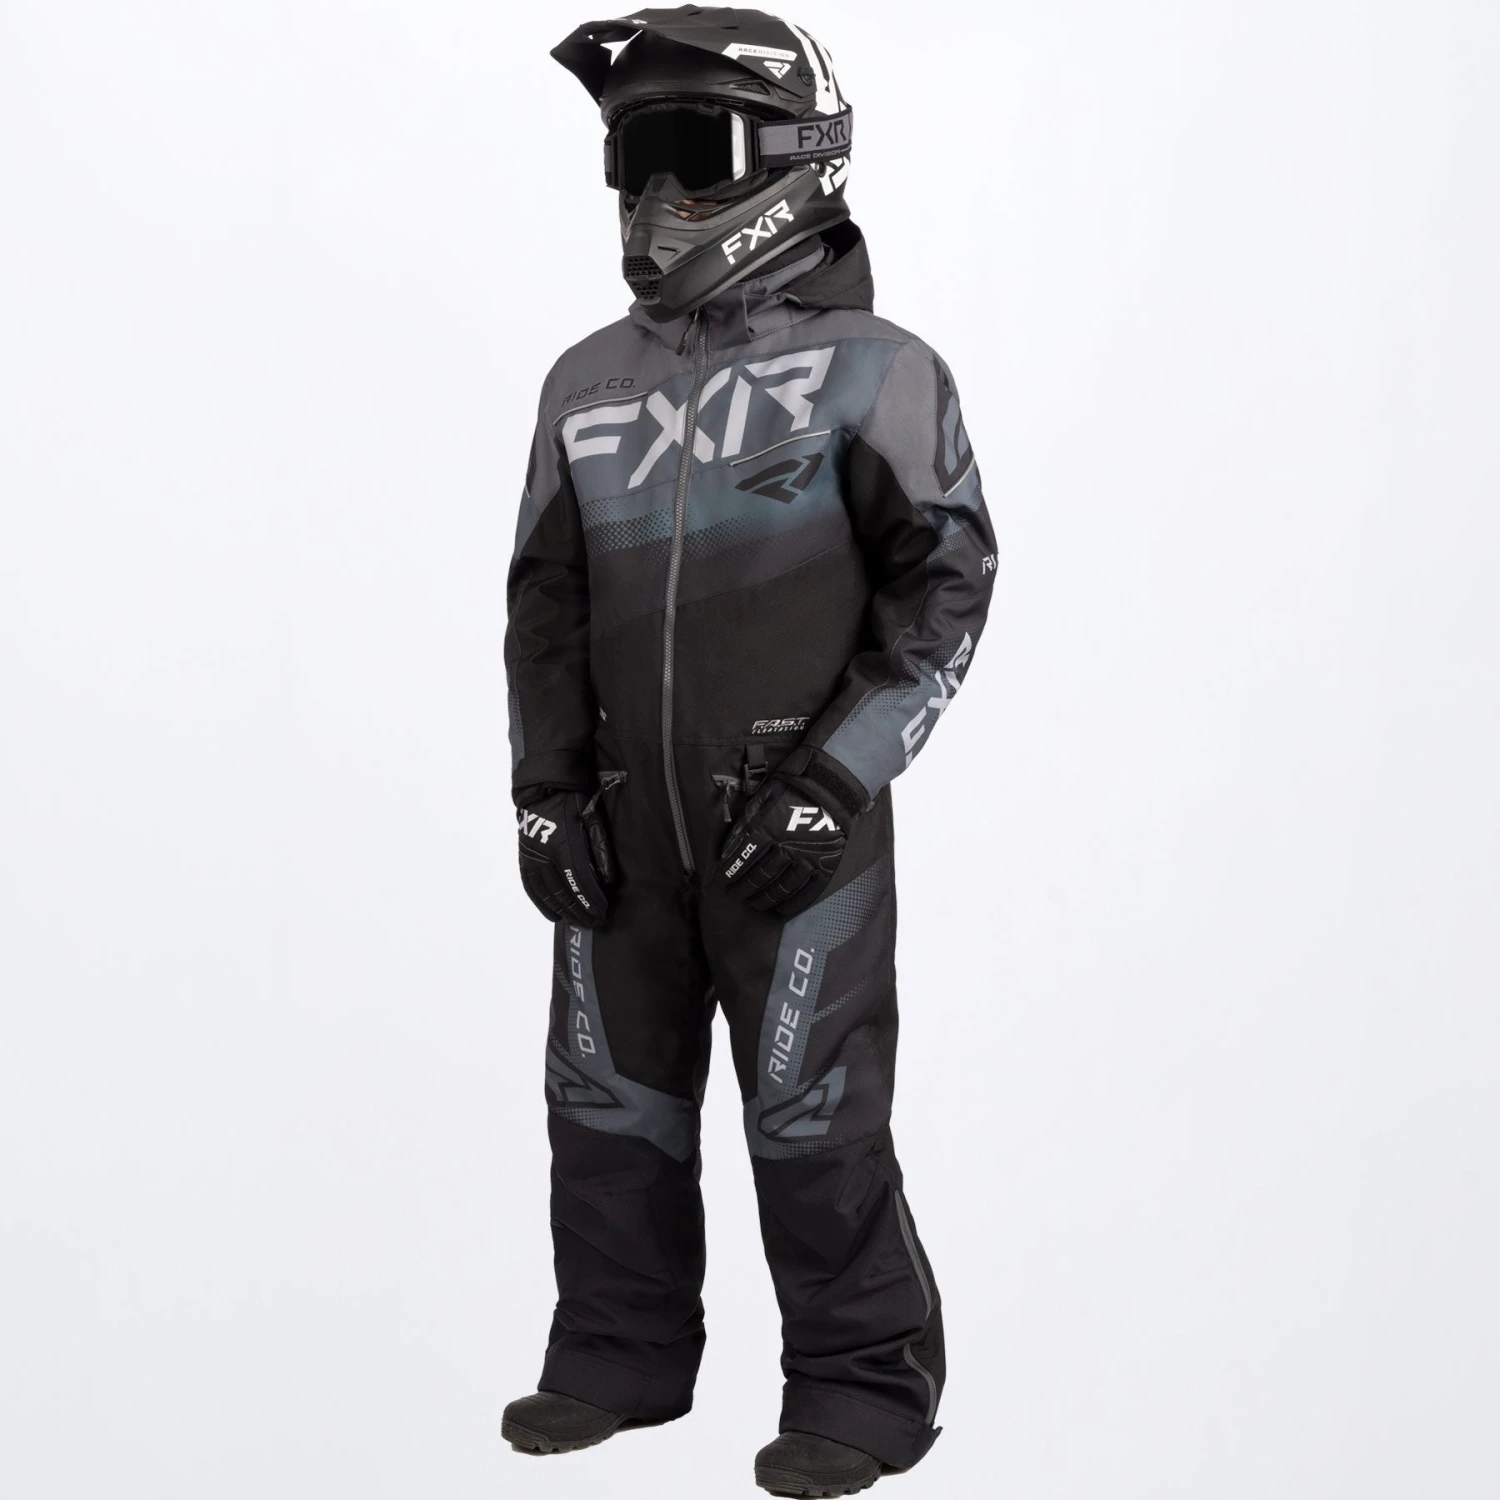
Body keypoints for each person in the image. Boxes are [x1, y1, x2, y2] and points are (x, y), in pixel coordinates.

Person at [501, 9, 996, 1494]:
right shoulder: (582, 383)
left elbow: (947, 588)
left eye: (692, 152)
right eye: (629, 160)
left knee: (814, 1113)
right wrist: (543, 795)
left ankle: (864, 1386)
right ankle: (618, 1354)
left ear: (797, 159)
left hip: (796, 821)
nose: (654, 198)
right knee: (605, 1102)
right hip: (618, 826)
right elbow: (542, 607)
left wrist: (838, 778)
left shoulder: (879, 370)